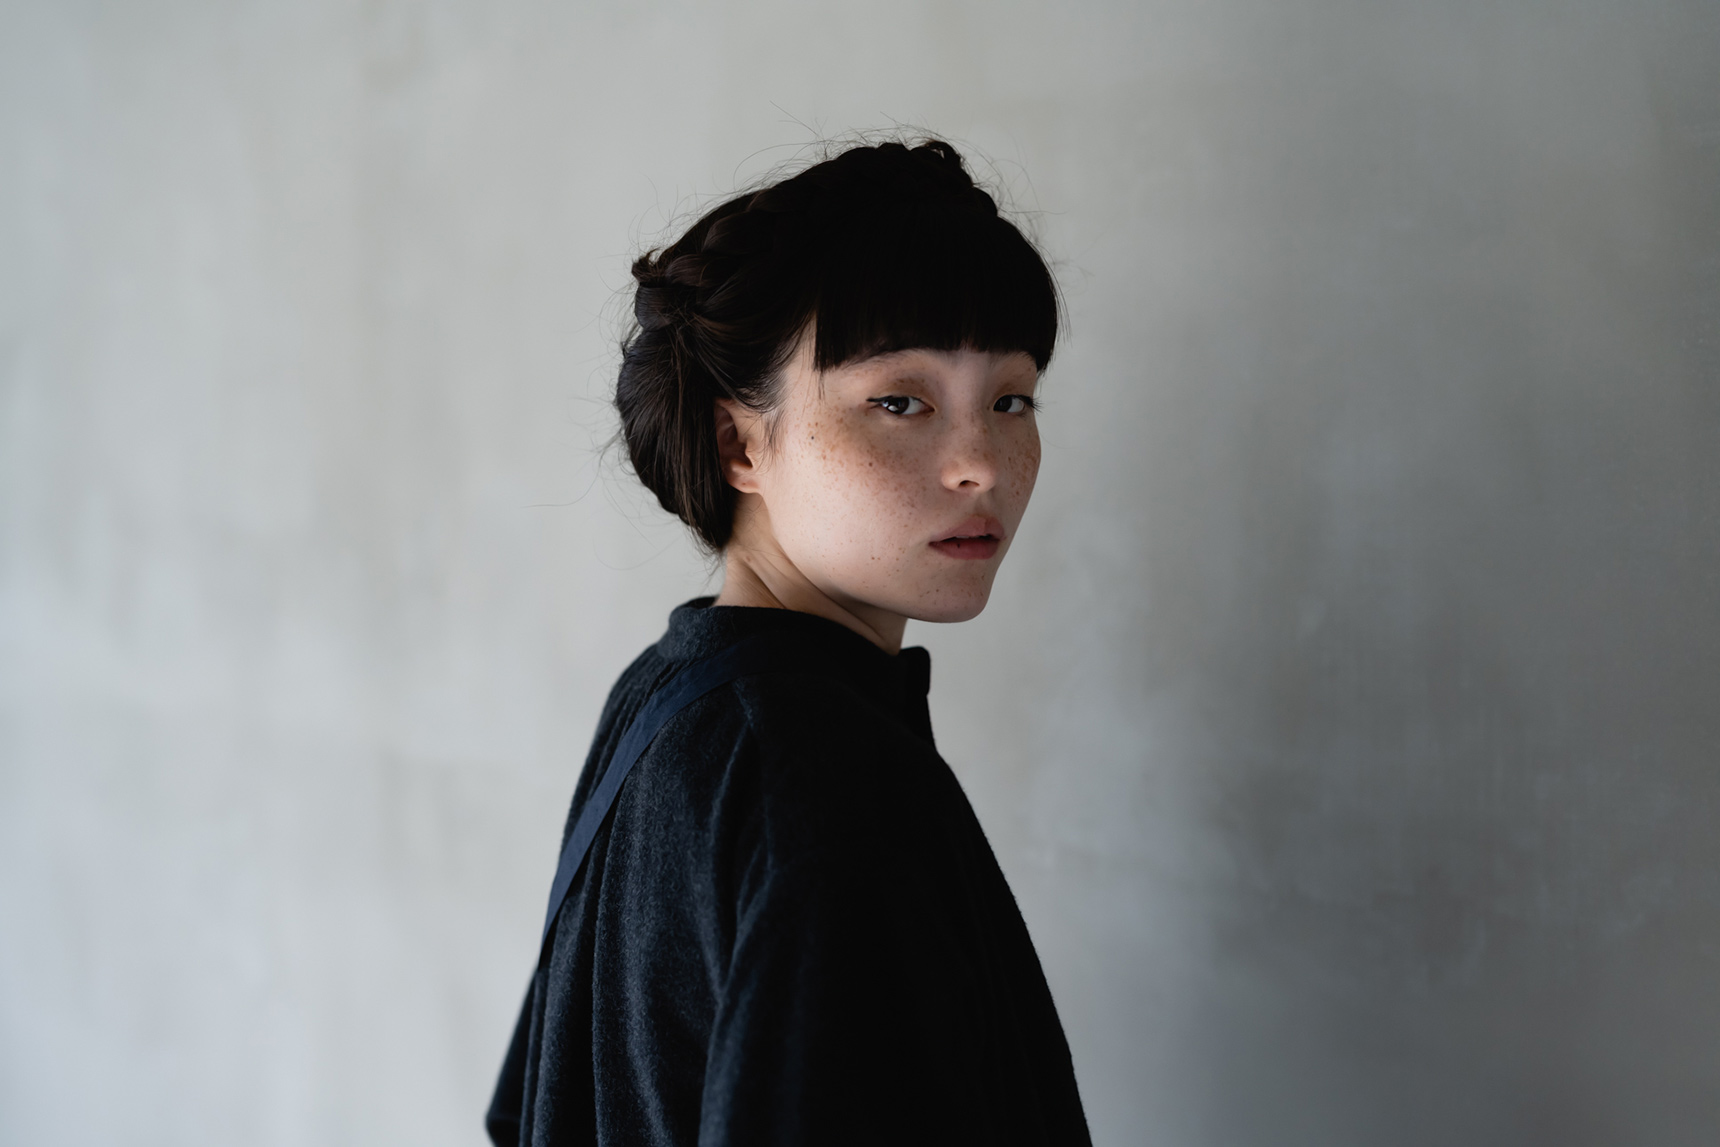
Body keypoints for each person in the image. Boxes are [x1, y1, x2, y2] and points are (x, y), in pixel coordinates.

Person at [486, 139, 1091, 1147]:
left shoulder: (668, 691)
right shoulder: (831, 782)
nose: (980, 463)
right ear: (739, 443)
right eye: (900, 402)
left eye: (1010, 399)